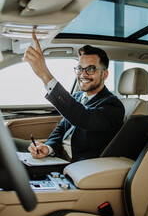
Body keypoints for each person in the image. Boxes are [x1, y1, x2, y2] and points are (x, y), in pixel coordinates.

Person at [14, 34, 125, 163]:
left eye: (90, 69)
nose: (83, 74)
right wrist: (48, 147)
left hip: (76, 166)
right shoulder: (77, 97)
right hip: (56, 155)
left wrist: (45, 74)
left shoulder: (113, 106)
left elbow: (83, 117)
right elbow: (61, 129)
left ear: (104, 74)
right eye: (79, 68)